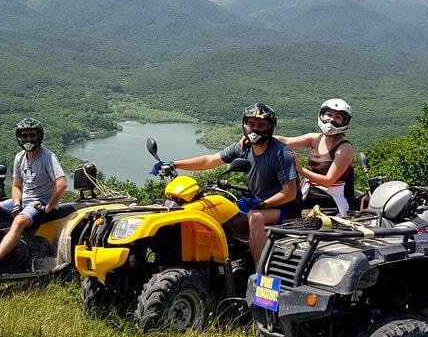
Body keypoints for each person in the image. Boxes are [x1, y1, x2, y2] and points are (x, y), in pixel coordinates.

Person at [152, 103, 299, 264]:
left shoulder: (281, 153)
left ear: (270, 126)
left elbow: (290, 192)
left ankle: (260, 274)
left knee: (255, 218)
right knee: (218, 210)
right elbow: (210, 160)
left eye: (261, 124)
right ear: (245, 124)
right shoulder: (243, 148)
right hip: (252, 202)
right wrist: (175, 164)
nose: (255, 129)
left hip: (281, 208)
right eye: (251, 123)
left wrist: (263, 204)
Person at [0, 118, 67, 274]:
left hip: (40, 202)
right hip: (25, 200)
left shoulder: (48, 157)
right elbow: (16, 186)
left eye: (32, 135)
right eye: (24, 136)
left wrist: (49, 207)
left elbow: (62, 184)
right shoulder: (20, 157)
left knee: (19, 220)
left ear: (39, 136)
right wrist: (17, 204)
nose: (28, 139)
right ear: (19, 137)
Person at [268, 99, 355, 217]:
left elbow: (328, 181)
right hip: (311, 191)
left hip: (330, 198)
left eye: (338, 117)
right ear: (322, 115)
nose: (332, 120)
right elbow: (286, 141)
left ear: (344, 122)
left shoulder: (344, 148)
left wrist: (300, 169)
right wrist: (257, 136)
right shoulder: (316, 139)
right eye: (328, 115)